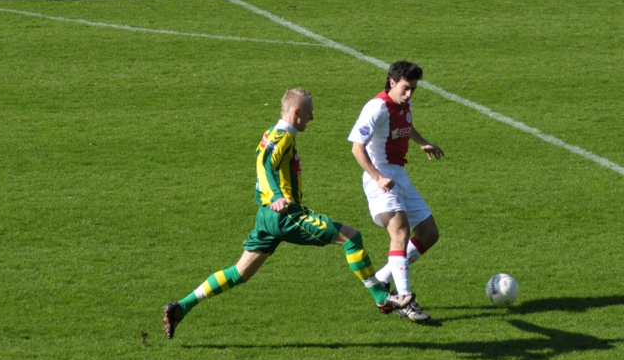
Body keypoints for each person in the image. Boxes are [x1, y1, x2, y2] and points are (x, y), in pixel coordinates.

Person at [163, 88, 412, 339]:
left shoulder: (274, 133)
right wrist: (276, 197)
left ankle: (181, 307)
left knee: (239, 273)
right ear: (296, 113)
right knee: (351, 237)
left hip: (266, 217)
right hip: (284, 214)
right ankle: (381, 297)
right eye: (309, 113)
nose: (312, 118)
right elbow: (263, 164)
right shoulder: (281, 137)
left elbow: (264, 160)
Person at [348, 60, 444, 323]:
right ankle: (404, 300)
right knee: (400, 232)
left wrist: (422, 143)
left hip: (400, 175)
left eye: (413, 89)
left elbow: (404, 125)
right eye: (405, 88)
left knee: (428, 233)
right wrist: (378, 177)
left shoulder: (404, 103)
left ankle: (380, 279)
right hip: (379, 176)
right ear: (392, 82)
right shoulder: (377, 107)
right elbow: (357, 147)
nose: (410, 94)